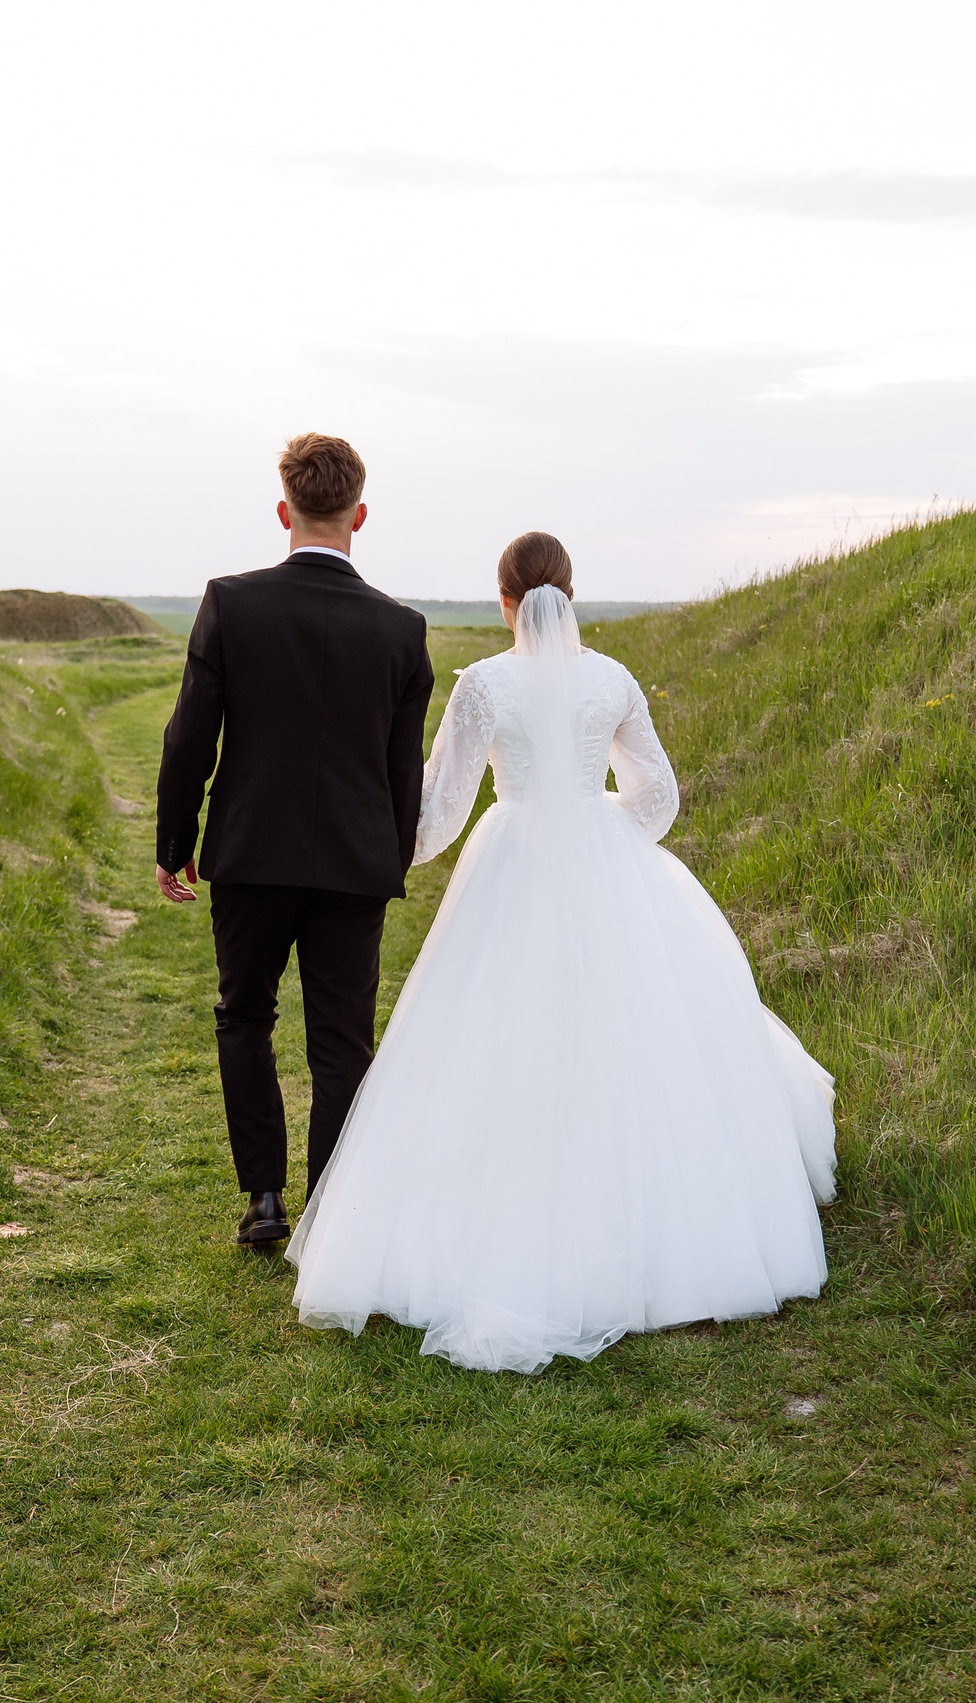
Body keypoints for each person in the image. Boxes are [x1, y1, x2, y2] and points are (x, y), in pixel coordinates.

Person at [286, 532, 838, 1372]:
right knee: (632, 1034)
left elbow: (438, 816)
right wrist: (605, 826)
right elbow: (659, 794)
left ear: (505, 601)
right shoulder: (611, 678)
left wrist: (378, 847)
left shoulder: (483, 684)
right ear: (570, 595)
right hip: (604, 854)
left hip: (509, 865)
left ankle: (502, 1220)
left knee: (492, 1036)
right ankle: (650, 1232)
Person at [155, 434, 435, 1247]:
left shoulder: (231, 603)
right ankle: (331, 1211)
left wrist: (177, 840)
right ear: (361, 514)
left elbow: (188, 739)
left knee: (244, 1015)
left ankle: (265, 1200)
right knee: (342, 1043)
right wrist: (391, 853)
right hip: (355, 864)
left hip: (249, 853)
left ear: (285, 509)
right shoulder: (402, 629)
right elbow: (402, 769)